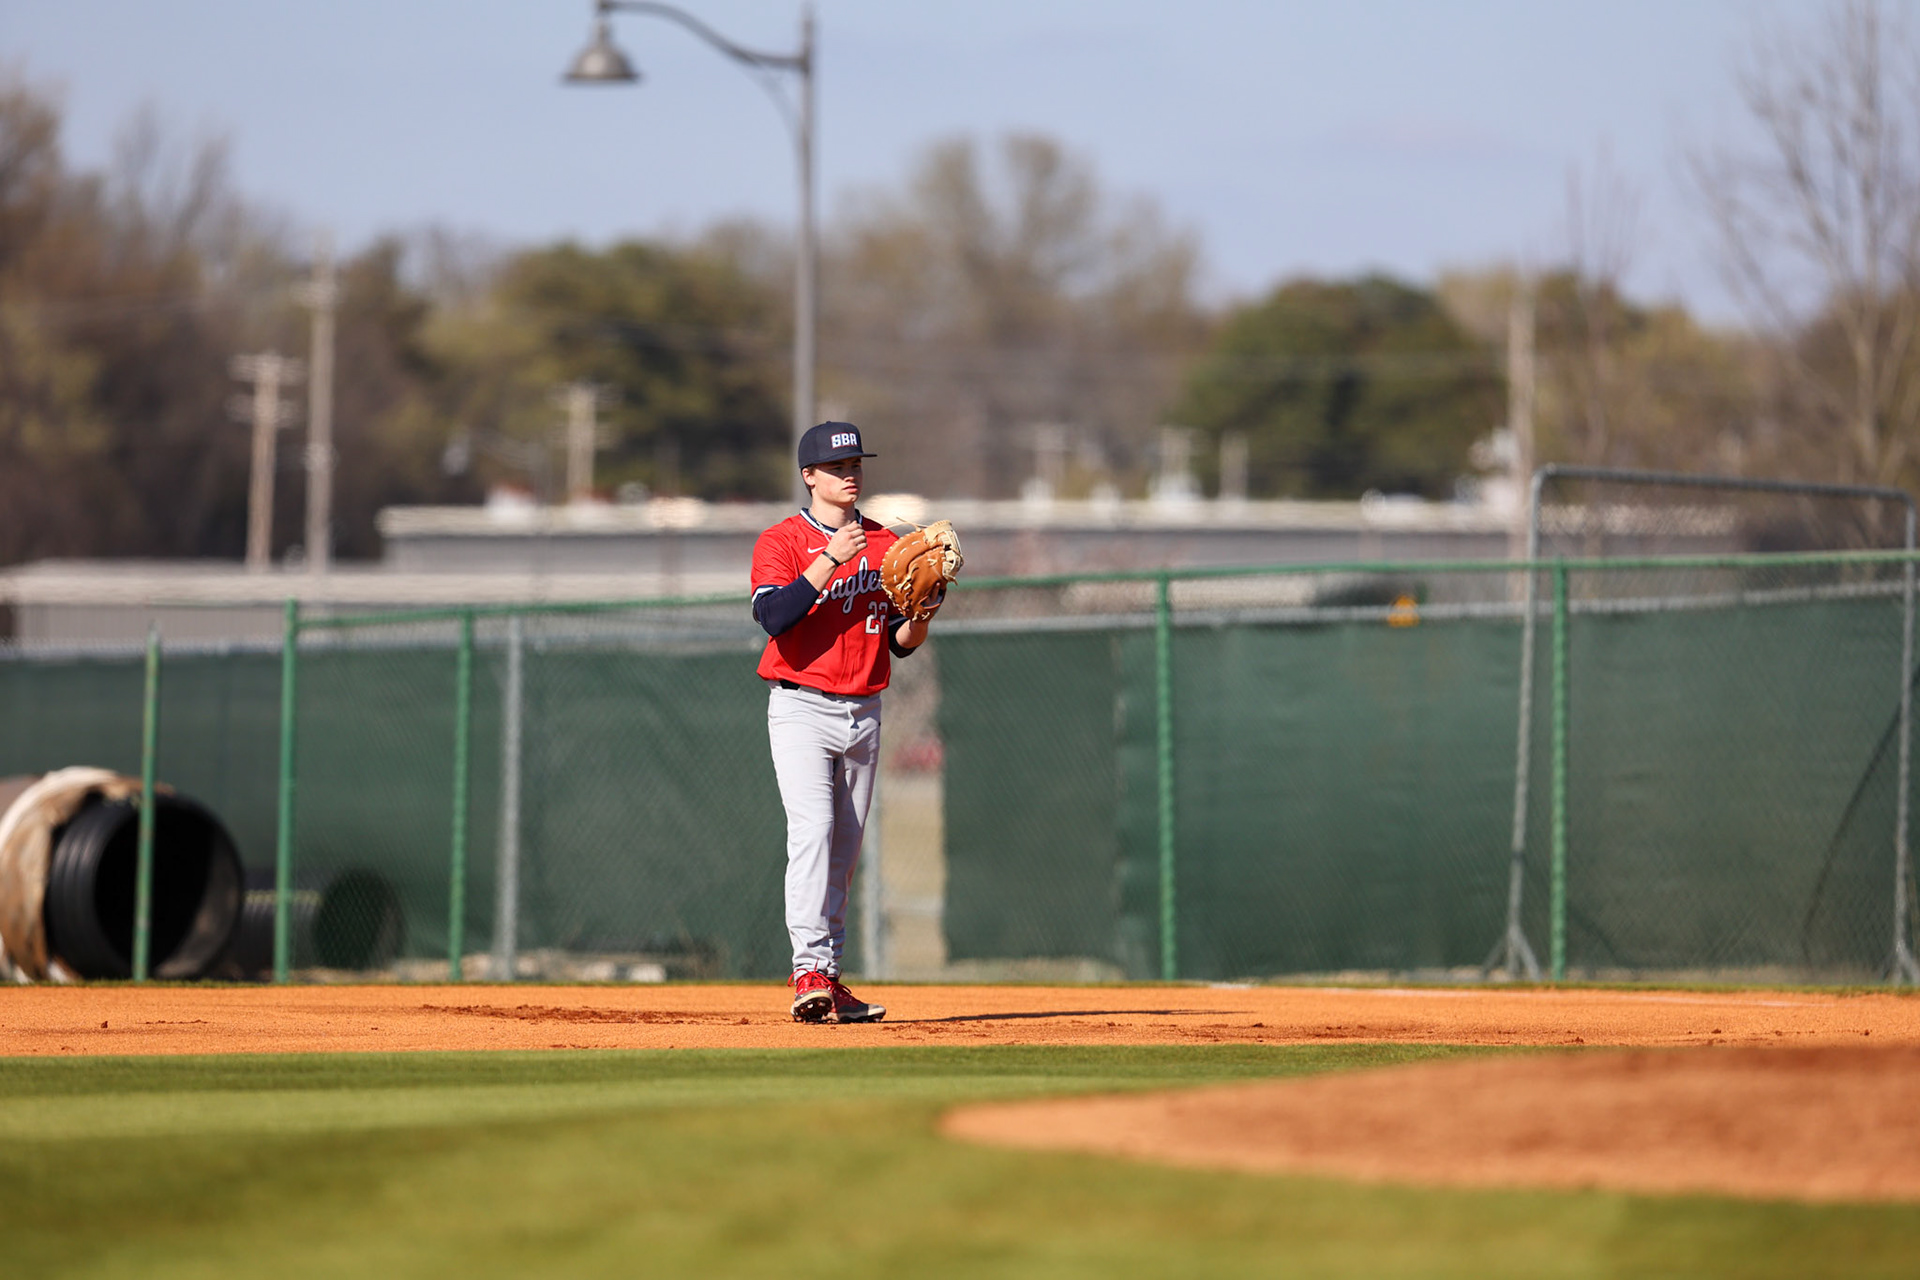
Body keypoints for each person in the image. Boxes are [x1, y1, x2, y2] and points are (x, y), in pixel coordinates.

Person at [750, 421, 935, 1023]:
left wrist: (925, 611)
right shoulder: (781, 540)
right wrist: (828, 560)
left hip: (866, 709)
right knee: (814, 831)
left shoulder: (886, 544)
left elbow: (902, 644)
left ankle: (827, 978)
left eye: (856, 464)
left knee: (844, 851)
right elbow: (774, 616)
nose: (850, 474)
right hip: (801, 705)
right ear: (809, 476)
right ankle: (806, 967)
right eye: (837, 467)